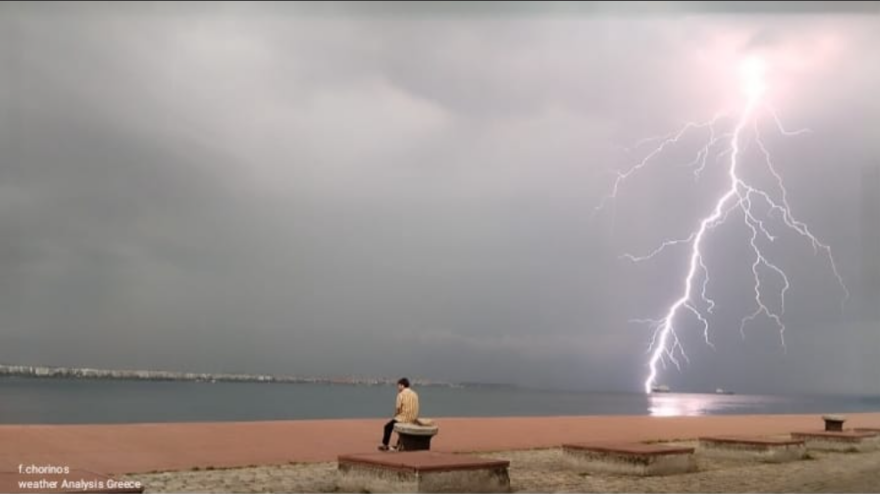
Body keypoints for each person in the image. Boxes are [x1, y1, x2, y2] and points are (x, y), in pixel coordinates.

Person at [378, 377, 419, 451]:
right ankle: (399, 444)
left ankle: (385, 445)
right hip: (413, 418)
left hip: (403, 418)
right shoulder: (414, 394)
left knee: (387, 427)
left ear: (402, 385)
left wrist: (395, 417)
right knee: (401, 429)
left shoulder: (401, 394)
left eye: (398, 386)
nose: (398, 388)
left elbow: (398, 409)